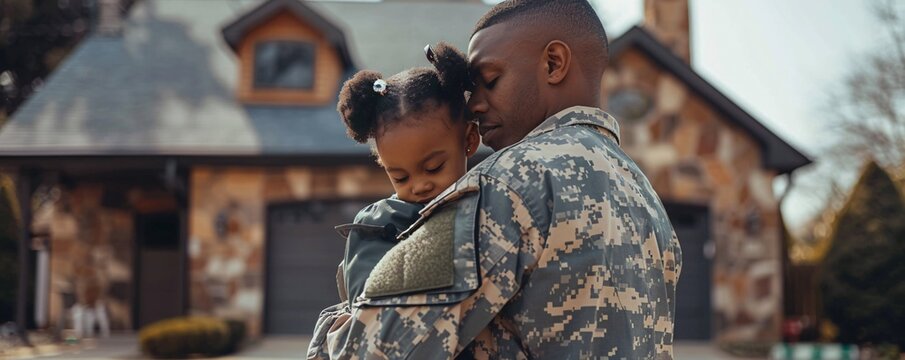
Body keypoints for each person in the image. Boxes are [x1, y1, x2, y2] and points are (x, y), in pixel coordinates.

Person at [308, 1, 682, 358]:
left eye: (489, 80)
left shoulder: (509, 183)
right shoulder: (644, 195)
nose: (472, 105)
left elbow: (367, 350)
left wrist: (332, 330)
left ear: (553, 63)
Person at [330, 43, 480, 307]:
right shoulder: (377, 227)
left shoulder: (493, 201)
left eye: (433, 168)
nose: (419, 186)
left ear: (469, 139)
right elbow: (366, 310)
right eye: (400, 178)